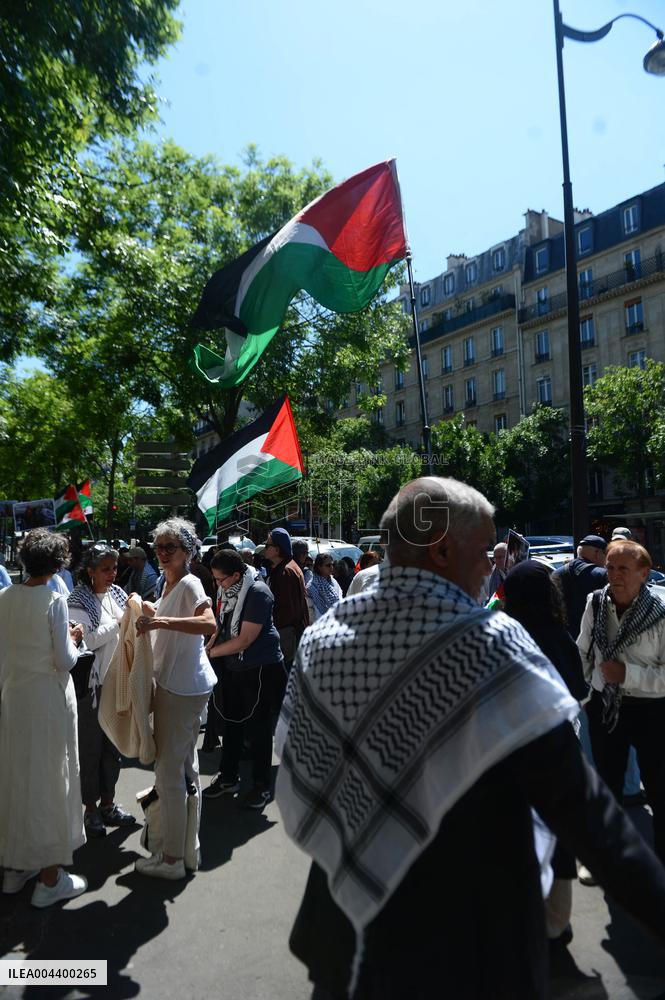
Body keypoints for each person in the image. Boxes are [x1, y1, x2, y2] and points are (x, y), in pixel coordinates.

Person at [276, 478, 665, 1000]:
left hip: (343, 934)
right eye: (484, 549)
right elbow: (582, 808)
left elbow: (304, 764)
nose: (491, 566)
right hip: (472, 947)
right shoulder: (488, 646)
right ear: (440, 548)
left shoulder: (322, 640)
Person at [0, 529, 88, 906]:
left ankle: (17, 867)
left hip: (14, 697)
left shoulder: (4, 596)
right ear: (57, 564)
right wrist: (77, 637)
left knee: (16, 779)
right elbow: (64, 660)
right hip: (47, 700)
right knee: (52, 782)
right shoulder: (55, 599)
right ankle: (50, 879)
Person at [503, 560, 588, 948]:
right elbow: (580, 691)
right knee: (559, 836)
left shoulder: (502, 638)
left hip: (510, 755)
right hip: (557, 754)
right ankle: (557, 922)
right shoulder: (558, 636)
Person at [133, 517, 217, 879]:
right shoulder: (167, 584)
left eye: (170, 547)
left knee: (168, 774)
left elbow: (209, 624)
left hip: (180, 688)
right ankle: (187, 851)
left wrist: (159, 623)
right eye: (159, 546)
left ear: (187, 551)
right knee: (184, 770)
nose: (162, 552)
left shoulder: (190, 582)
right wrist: (151, 612)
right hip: (180, 684)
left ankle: (170, 861)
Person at [578, 538, 665, 865]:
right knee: (605, 788)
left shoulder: (661, 612)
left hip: (653, 710)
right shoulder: (596, 603)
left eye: (624, 569)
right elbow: (583, 650)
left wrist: (626, 674)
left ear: (644, 573)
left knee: (659, 790)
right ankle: (604, 860)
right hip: (607, 707)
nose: (615, 575)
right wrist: (593, 690)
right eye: (610, 567)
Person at [204, 549, 287, 809]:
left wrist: (208, 653)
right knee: (231, 724)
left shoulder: (259, 592)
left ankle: (261, 786)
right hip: (233, 668)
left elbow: (245, 639)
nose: (218, 585)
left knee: (259, 730)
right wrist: (210, 646)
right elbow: (221, 625)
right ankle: (229, 777)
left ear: (237, 574)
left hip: (259, 668)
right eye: (215, 579)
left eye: (221, 580)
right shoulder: (227, 591)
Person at [68, 544, 136, 838]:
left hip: (119, 685)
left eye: (115, 568)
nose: (112, 574)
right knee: (91, 749)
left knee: (113, 748)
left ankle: (108, 803)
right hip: (92, 690)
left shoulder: (119, 594)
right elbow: (84, 643)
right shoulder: (77, 600)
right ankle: (90, 809)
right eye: (106, 569)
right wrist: (120, 623)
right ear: (90, 571)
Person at [264, 528, 309, 668]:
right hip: (289, 632)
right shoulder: (286, 568)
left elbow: (287, 610)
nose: (265, 548)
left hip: (286, 634)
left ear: (277, 550)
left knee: (285, 678)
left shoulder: (286, 572)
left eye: (267, 545)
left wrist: (270, 628)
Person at [552, 534, 607, 639]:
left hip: (563, 640)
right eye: (605, 553)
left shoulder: (556, 574)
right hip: (591, 642)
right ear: (597, 553)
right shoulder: (602, 575)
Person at [307, 553, 343, 621]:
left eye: (332, 564)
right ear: (319, 567)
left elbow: (340, 598)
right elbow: (311, 611)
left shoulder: (334, 581)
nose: (331, 567)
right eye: (328, 565)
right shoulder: (311, 586)